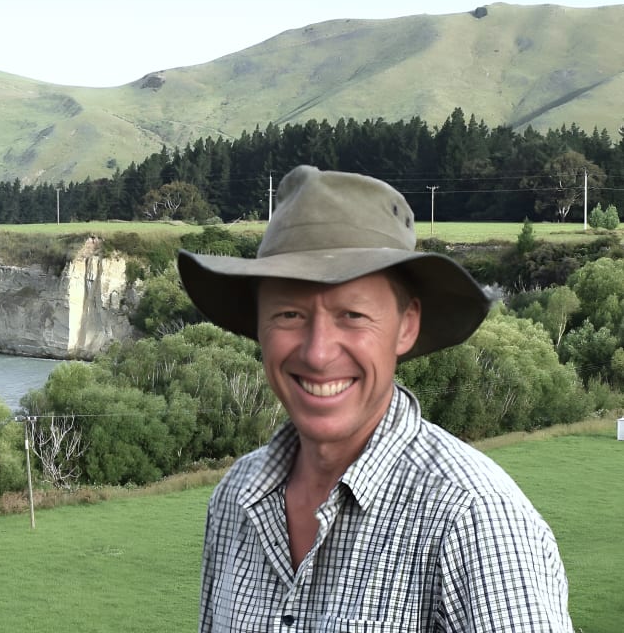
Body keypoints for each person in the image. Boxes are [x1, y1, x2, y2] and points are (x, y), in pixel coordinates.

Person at [178, 165, 573, 632]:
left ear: (406, 325)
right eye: (289, 313)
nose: (318, 352)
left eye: (352, 314)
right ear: (259, 325)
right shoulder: (234, 498)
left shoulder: (473, 519)